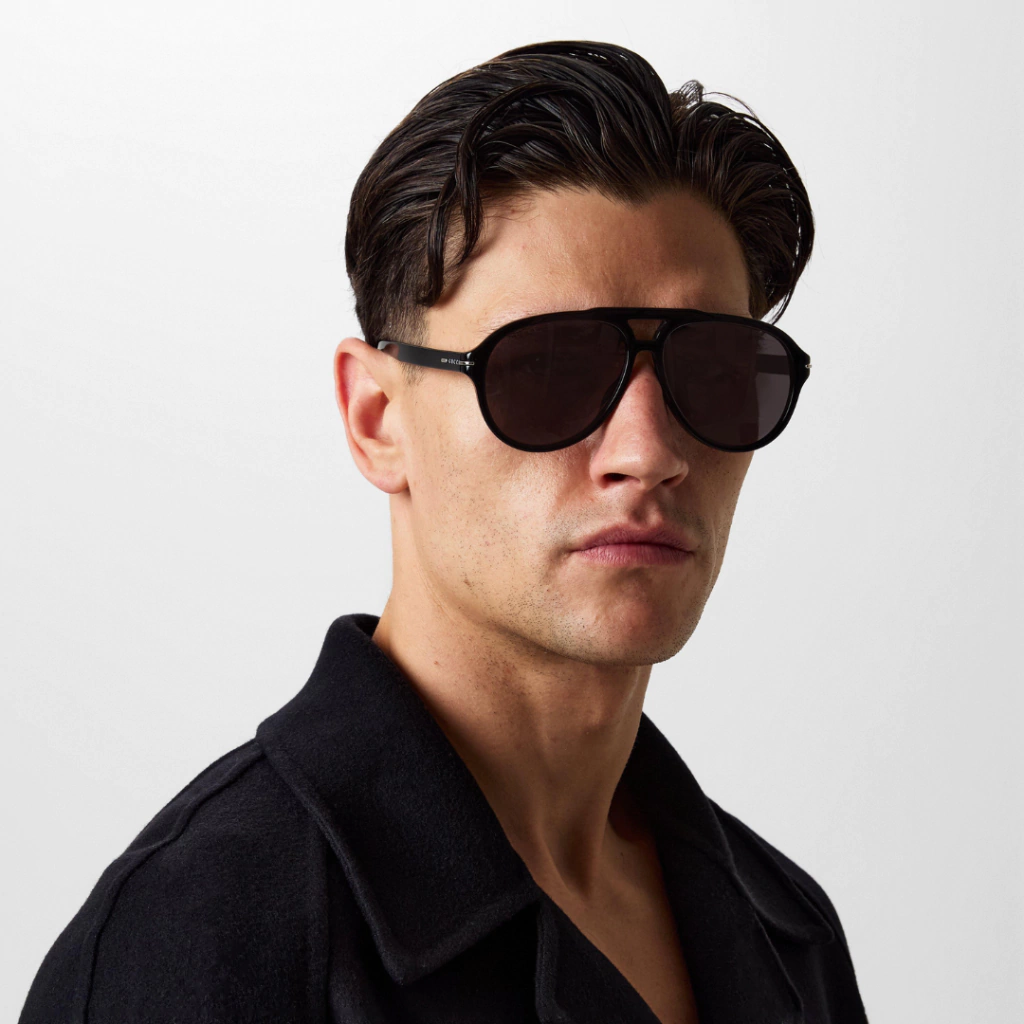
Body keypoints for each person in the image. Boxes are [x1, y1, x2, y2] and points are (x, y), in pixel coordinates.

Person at [18, 40, 869, 1024]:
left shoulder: (783, 927)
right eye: (547, 367)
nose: (648, 452)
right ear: (376, 418)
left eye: (713, 371)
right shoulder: (201, 937)